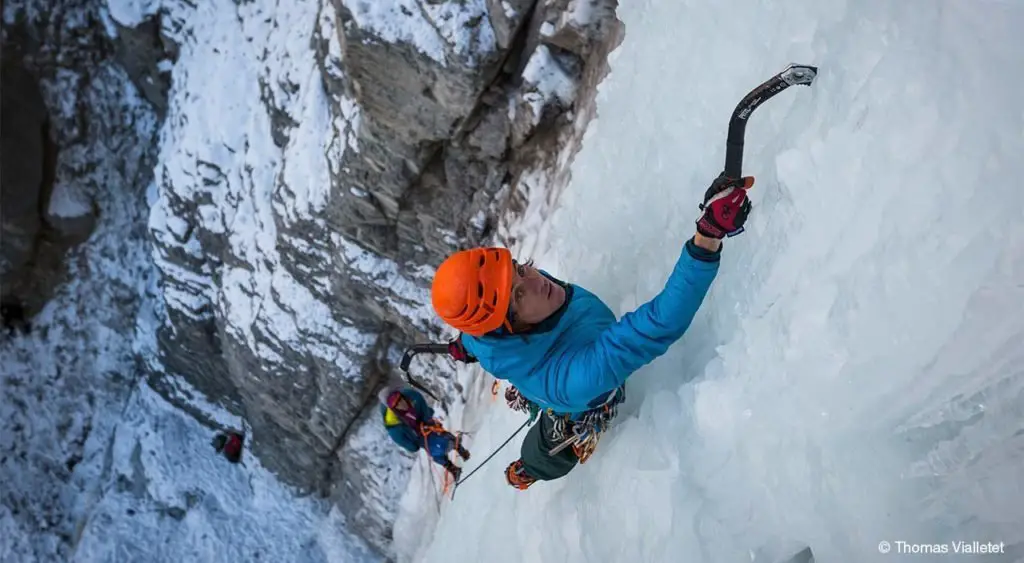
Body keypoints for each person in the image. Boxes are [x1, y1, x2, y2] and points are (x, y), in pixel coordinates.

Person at [430, 172, 754, 489]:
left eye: (518, 268)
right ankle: (527, 470)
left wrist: (462, 347)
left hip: (533, 362)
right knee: (550, 450)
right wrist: (707, 236)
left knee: (531, 387)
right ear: (509, 329)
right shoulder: (580, 378)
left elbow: (476, 338)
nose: (534, 279)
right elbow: (659, 323)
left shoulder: (491, 324)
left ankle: (528, 395)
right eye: (518, 295)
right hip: (579, 399)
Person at [379, 385, 470, 481]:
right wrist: (413, 446)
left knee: (443, 437)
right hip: (418, 435)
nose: (401, 403)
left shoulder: (411, 395)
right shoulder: (393, 424)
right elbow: (400, 439)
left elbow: (420, 402)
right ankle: (453, 468)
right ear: (393, 409)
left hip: (426, 424)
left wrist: (427, 420)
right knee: (435, 452)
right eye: (397, 404)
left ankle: (461, 450)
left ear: (402, 396)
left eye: (400, 399)